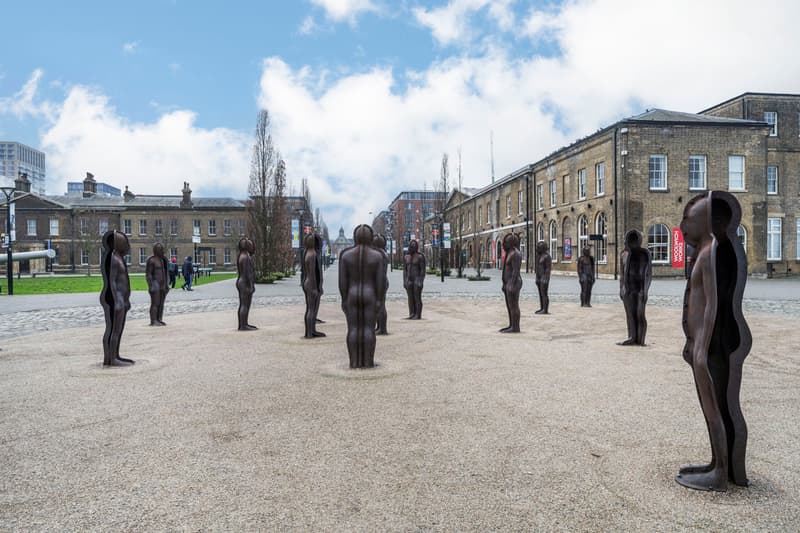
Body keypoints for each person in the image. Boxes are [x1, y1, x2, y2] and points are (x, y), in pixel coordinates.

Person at [676, 191, 752, 492]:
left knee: (715, 406)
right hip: (701, 345)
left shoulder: (710, 253)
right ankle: (719, 462)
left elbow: (713, 304)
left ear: (704, 222)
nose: (682, 227)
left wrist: (702, 348)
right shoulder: (707, 250)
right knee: (716, 405)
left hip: (709, 348)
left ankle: (721, 471)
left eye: (687, 220)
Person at [339, 224, 386, 368]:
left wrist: (344, 299)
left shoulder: (346, 255)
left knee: (353, 329)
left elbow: (342, 282)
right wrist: (379, 300)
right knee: (368, 329)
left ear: (354, 237)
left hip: (352, 295)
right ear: (371, 237)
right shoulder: (377, 256)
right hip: (370, 294)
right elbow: (380, 282)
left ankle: (354, 362)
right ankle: (367, 362)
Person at [100, 230, 134, 366]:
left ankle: (115, 355)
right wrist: (117, 300)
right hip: (116, 300)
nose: (128, 246)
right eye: (125, 242)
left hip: (122, 300)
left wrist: (126, 300)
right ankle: (111, 358)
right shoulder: (114, 258)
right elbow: (112, 281)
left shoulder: (119, 257)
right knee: (114, 329)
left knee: (118, 330)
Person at [617, 230, 652, 345]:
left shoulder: (645, 254)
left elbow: (648, 274)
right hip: (628, 290)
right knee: (630, 315)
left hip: (640, 289)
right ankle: (632, 337)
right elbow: (622, 274)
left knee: (639, 314)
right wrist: (621, 288)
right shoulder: (624, 254)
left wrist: (645, 290)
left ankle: (640, 339)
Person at [302, 233, 325, 338]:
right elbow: (312, 273)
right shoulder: (312, 254)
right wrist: (315, 287)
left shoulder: (307, 252)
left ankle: (311, 330)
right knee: (311, 309)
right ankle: (310, 332)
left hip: (308, 283)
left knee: (310, 309)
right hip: (311, 284)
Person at [500, 233, 522, 332]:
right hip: (508, 283)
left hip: (513, 283)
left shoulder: (515, 253)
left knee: (514, 305)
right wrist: (504, 284)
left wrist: (512, 284)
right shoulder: (509, 252)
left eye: (505, 242)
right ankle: (511, 324)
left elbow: (516, 271)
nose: (503, 244)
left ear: (511, 243)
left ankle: (515, 327)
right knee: (509, 306)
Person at [145, 242, 169, 326]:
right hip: (155, 284)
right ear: (156, 250)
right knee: (155, 303)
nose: (163, 251)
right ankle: (153, 320)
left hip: (162, 284)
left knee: (161, 304)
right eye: (161, 249)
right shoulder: (151, 260)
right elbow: (148, 274)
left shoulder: (162, 260)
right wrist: (151, 285)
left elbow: (165, 273)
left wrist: (166, 285)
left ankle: (159, 318)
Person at [236, 237, 257, 331]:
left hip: (241, 282)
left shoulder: (241, 255)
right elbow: (248, 273)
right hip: (244, 283)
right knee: (245, 304)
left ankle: (244, 323)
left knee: (243, 304)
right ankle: (243, 325)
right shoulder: (246, 257)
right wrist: (251, 285)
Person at [403, 239, 426, 319]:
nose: (413, 247)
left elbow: (422, 270)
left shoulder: (420, 256)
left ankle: (418, 314)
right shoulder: (406, 257)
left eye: (414, 246)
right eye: (411, 246)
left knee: (417, 297)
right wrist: (405, 281)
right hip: (409, 279)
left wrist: (421, 281)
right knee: (410, 298)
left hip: (417, 279)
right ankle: (412, 313)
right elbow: (405, 270)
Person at [373, 233, 390, 335]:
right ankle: (379, 326)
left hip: (380, 282)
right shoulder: (382, 253)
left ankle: (382, 328)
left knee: (381, 305)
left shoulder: (380, 254)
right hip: (380, 281)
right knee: (379, 305)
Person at [535, 241, 552, 314]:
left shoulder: (547, 256)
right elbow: (537, 267)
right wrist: (537, 277)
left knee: (544, 293)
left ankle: (545, 309)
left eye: (538, 248)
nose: (537, 249)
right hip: (539, 277)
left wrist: (546, 278)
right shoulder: (539, 256)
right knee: (540, 294)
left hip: (544, 277)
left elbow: (548, 269)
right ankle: (542, 307)